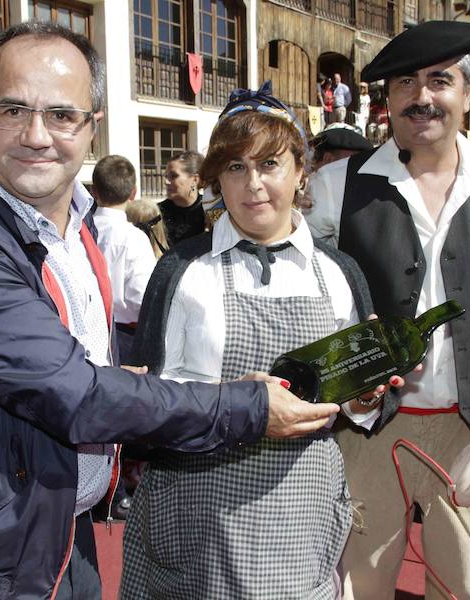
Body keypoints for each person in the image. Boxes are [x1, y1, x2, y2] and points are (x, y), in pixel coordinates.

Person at [0, 22, 338, 600]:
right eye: (13, 109)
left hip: (59, 527)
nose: (36, 134)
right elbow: (74, 393)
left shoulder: (81, 222)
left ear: (93, 125)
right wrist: (245, 405)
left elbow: (85, 365)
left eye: (62, 114)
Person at [313, 22, 470, 599]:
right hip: (365, 432)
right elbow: (306, 304)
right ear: (387, 100)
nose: (422, 97)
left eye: (439, 81)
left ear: (467, 94)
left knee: (465, 589)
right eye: (405, 83)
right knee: (358, 588)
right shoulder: (334, 186)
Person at [121, 80, 392, 599]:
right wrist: (228, 404)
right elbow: (147, 400)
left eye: (269, 164)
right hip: (197, 513)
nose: (253, 185)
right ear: (217, 177)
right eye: (236, 167)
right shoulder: (181, 270)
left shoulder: (339, 273)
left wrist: (366, 396)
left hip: (299, 510)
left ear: (300, 170)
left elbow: (364, 404)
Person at [91, 155, 156, 346]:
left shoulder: (78, 231)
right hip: (124, 335)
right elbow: (141, 296)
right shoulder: (134, 238)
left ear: (94, 192)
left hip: (87, 332)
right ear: (133, 193)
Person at [159, 151, 205, 246]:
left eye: (173, 176)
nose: (166, 182)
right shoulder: (157, 213)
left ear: (195, 179)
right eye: (166, 176)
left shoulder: (210, 209)